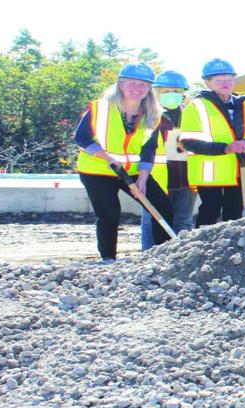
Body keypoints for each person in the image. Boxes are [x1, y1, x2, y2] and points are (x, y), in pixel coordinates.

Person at [75, 63, 170, 260]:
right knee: (109, 214)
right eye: (132, 83)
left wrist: (143, 178)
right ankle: (108, 259)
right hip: (97, 170)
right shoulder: (101, 108)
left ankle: (163, 255)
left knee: (161, 205)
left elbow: (149, 148)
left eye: (143, 85)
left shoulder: (153, 114)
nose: (138, 89)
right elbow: (81, 138)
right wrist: (108, 158)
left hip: (133, 170)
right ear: (120, 84)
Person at [177, 58, 245, 228]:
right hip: (210, 172)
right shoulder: (196, 106)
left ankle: (232, 249)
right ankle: (203, 247)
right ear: (208, 83)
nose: (225, 84)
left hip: (239, 169)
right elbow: (188, 142)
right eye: (219, 80)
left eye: (228, 79)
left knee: (235, 213)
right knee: (210, 211)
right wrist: (225, 148)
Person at [143, 70, 193, 249]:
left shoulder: (190, 115)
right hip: (156, 179)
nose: (171, 95)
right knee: (153, 220)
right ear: (156, 93)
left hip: (186, 179)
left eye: (176, 91)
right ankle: (149, 257)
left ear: (183, 94)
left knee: (183, 222)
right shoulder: (148, 116)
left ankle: (180, 257)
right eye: (165, 91)